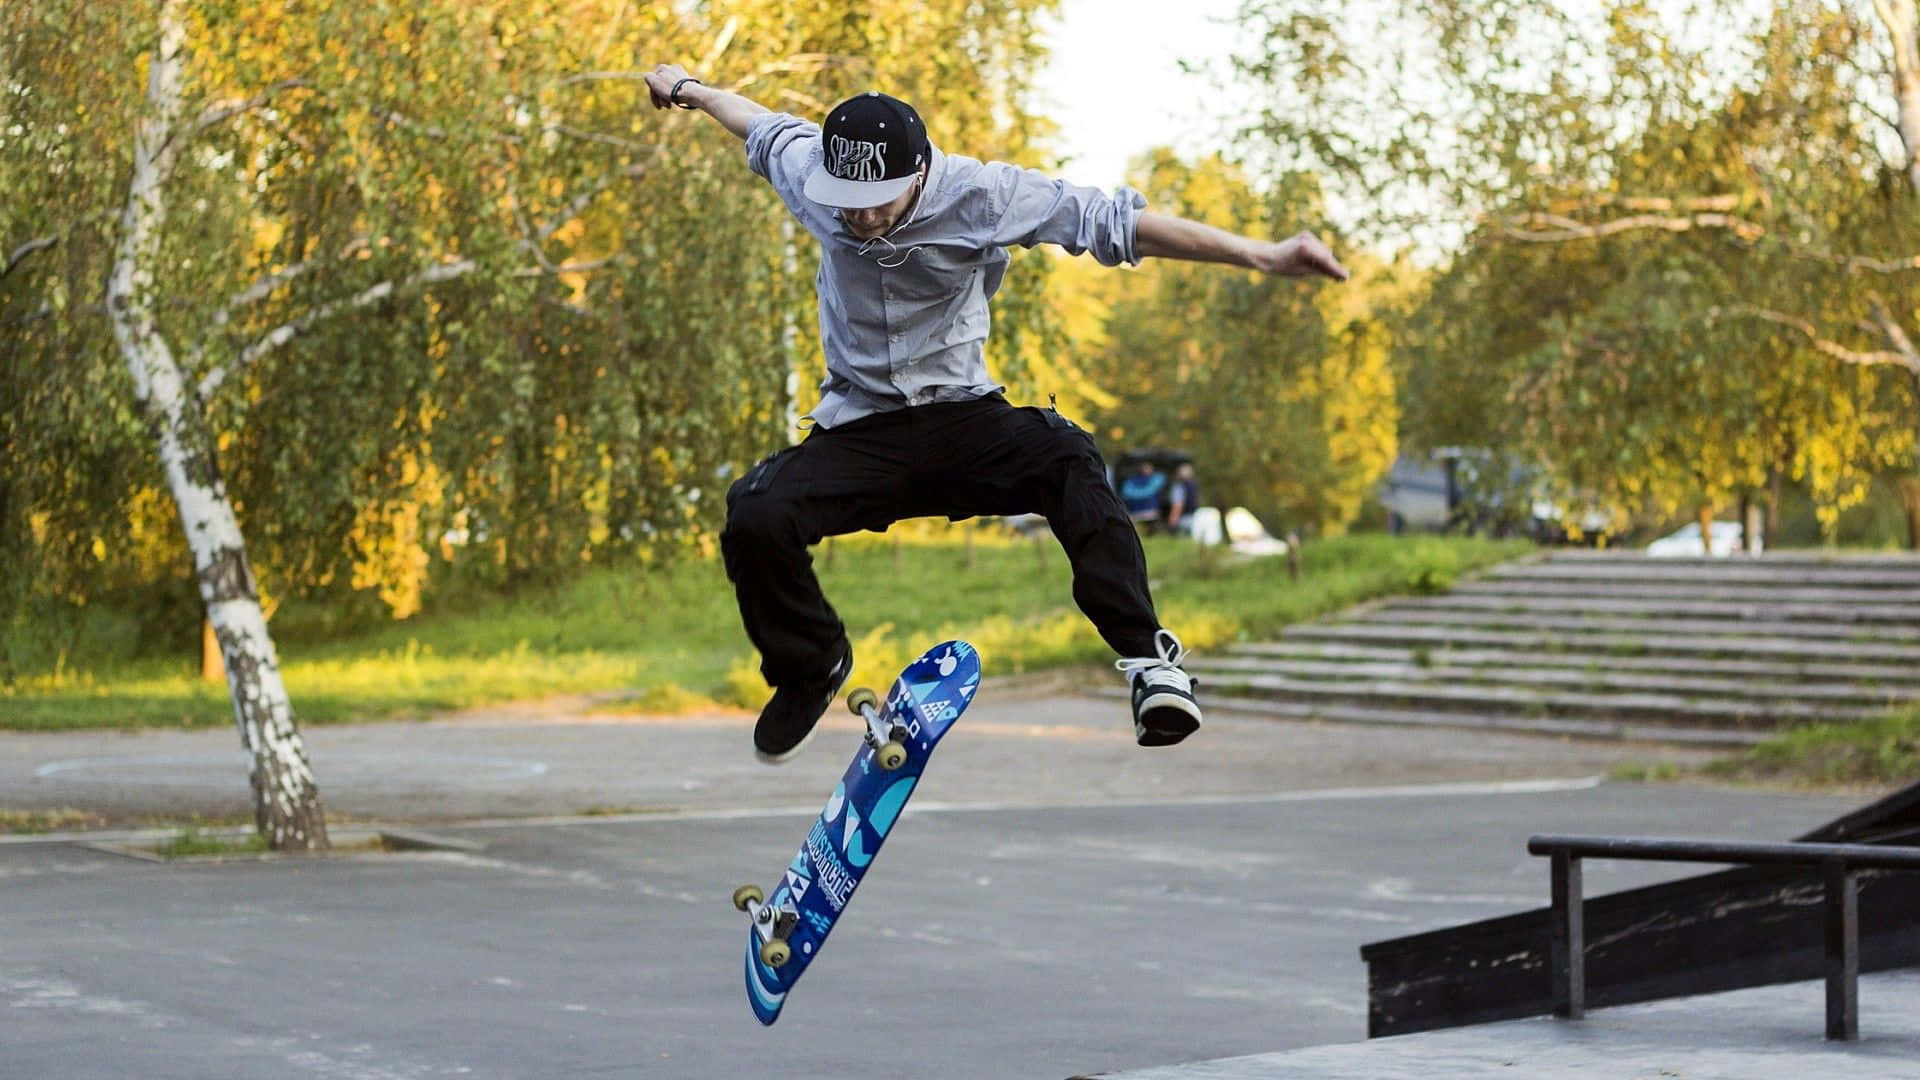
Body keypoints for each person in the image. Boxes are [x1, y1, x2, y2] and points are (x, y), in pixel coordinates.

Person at [640, 64, 1349, 764]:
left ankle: (1149, 660)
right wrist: (686, 89)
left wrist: (1261, 255)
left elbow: (1118, 226)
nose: (857, 218)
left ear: (919, 174)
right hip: (860, 432)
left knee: (1069, 457)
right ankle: (809, 665)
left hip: (964, 423)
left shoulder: (984, 195)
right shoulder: (810, 176)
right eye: (846, 202)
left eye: (877, 202)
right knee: (756, 512)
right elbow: (755, 123)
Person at [1118, 460, 1168, 531]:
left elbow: (1128, 494)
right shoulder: (1131, 480)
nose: (1146, 470)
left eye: (1148, 468)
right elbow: (1126, 493)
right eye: (1145, 468)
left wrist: (1136, 494)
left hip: (1150, 511)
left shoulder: (1157, 478)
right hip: (1136, 511)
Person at [1165, 463, 1199, 536]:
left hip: (1183, 520)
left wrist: (1172, 521)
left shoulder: (1178, 487)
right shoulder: (1194, 485)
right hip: (1196, 518)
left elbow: (1178, 505)